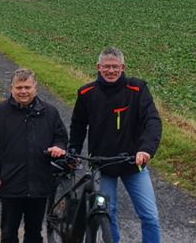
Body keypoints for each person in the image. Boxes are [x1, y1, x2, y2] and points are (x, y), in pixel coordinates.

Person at [68, 47, 163, 243]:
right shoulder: (86, 93)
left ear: (123, 67)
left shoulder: (137, 89)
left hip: (133, 164)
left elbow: (152, 120)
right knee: (107, 213)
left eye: (115, 67)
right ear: (98, 67)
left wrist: (146, 149)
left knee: (150, 216)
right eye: (106, 67)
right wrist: (74, 152)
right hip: (102, 165)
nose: (111, 71)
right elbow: (78, 126)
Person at [0, 69, 68, 243]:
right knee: (8, 232)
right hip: (10, 182)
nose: (23, 91)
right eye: (19, 87)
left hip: (40, 182)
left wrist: (58, 147)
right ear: (11, 88)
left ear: (35, 87)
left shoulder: (50, 112)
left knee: (34, 233)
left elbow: (61, 137)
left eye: (27, 87)